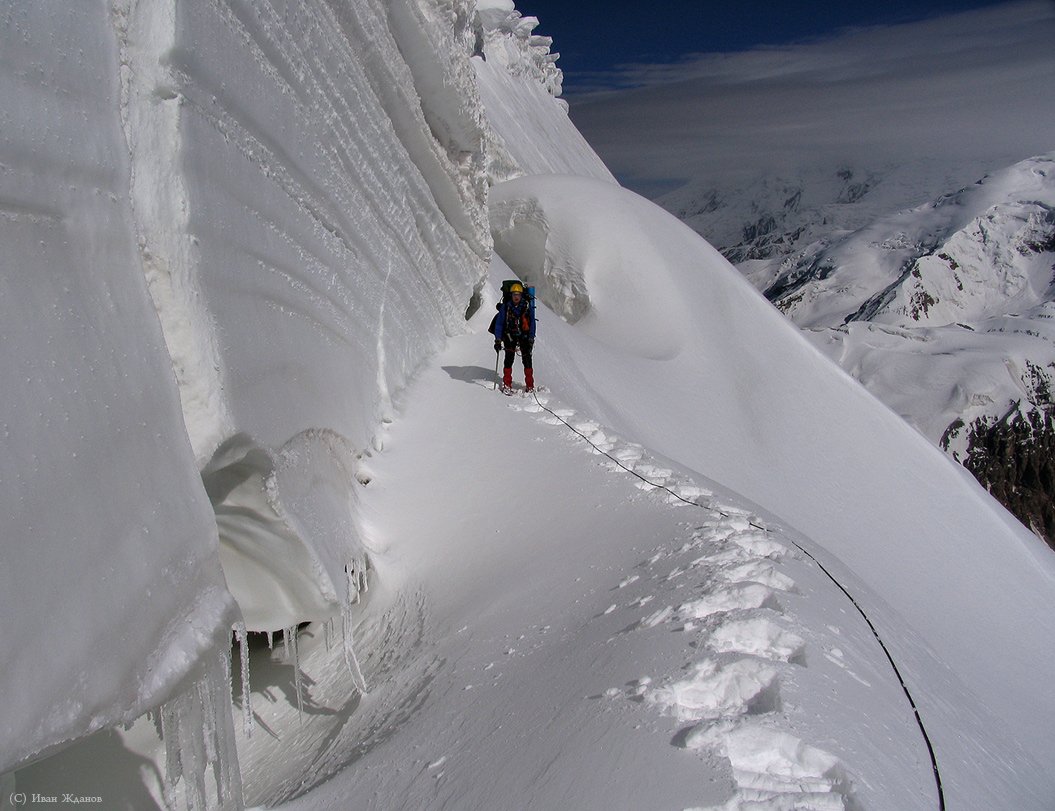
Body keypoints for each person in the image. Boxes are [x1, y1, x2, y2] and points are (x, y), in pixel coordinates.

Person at [493, 282, 535, 393]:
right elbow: (499, 324)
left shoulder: (526, 307)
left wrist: (531, 338)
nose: (516, 297)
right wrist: (498, 339)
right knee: (508, 359)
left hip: (524, 336)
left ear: (521, 295)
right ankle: (507, 384)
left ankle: (530, 386)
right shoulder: (506, 308)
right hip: (509, 335)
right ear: (511, 295)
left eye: (518, 294)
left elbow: (532, 324)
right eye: (514, 294)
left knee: (527, 360)